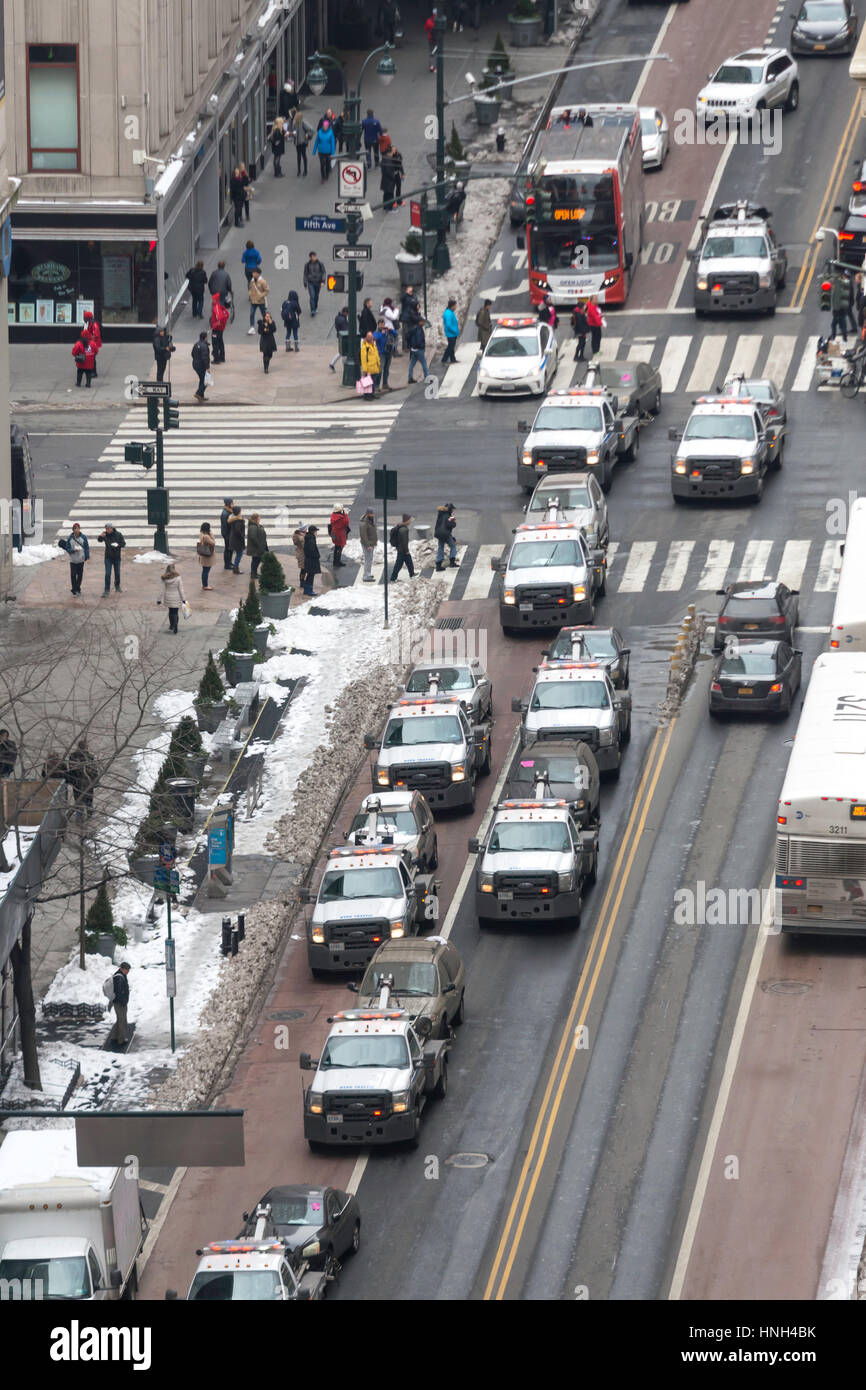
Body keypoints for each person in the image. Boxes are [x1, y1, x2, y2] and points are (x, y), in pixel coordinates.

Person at [67, 739, 98, 815]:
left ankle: (79, 817)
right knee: (89, 799)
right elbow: (94, 770)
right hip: (88, 781)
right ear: (86, 747)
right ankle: (89, 814)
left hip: (76, 781)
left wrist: (71, 780)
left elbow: (70, 770)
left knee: (78, 799)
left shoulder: (72, 756)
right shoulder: (90, 757)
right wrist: (95, 780)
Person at [59, 522, 89, 597]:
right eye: (75, 529)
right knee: (73, 575)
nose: (76, 530)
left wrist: (87, 556)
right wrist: (73, 550)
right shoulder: (70, 538)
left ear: (79, 529)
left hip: (81, 559)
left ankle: (78, 589)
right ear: (73, 530)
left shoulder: (83, 537)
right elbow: (68, 549)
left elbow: (86, 547)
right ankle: (74, 590)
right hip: (73, 560)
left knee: (80, 575)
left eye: (78, 528)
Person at [107, 963, 132, 1049]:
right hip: (120, 1003)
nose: (128, 972)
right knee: (122, 1020)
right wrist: (123, 1002)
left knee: (119, 1019)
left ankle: (114, 1037)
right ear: (123, 969)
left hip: (118, 1002)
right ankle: (121, 1040)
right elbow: (119, 992)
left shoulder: (119, 975)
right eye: (127, 970)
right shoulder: (119, 977)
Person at [157, 563, 186, 634]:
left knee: (171, 611)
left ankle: (172, 625)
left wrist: (159, 600)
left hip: (168, 597)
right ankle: (176, 624)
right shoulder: (178, 578)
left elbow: (162, 590)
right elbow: (181, 589)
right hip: (176, 596)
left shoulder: (164, 578)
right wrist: (183, 599)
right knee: (175, 612)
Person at [97, 524, 126, 595]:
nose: (107, 530)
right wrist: (100, 536)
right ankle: (107, 589)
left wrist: (118, 545)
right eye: (106, 529)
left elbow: (123, 544)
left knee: (117, 573)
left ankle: (117, 586)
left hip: (117, 557)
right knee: (107, 574)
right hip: (108, 557)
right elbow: (99, 540)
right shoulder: (105, 535)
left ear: (112, 528)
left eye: (109, 529)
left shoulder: (118, 534)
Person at [831, 271, 855, 341]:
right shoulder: (847, 284)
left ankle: (835, 337)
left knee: (834, 324)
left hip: (840, 309)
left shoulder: (845, 286)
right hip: (844, 307)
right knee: (844, 321)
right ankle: (844, 336)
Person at [390, 513, 415, 581]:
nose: (410, 521)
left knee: (409, 561)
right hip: (402, 550)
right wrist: (406, 551)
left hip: (400, 548)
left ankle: (412, 574)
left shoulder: (401, 527)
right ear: (407, 521)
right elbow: (404, 542)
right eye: (409, 520)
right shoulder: (404, 530)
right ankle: (393, 578)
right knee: (398, 565)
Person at [434, 502, 458, 570]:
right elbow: (449, 525)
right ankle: (452, 562)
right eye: (452, 509)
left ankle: (438, 565)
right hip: (445, 534)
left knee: (440, 547)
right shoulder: (448, 516)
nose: (453, 511)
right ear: (450, 509)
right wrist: (454, 523)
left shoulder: (440, 515)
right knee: (453, 546)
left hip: (439, 533)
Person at [247, 267, 270, 334]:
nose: (253, 274)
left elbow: (267, 290)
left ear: (258, 274)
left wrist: (261, 295)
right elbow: (250, 289)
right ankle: (252, 327)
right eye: (253, 273)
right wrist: (250, 295)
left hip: (261, 301)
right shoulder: (252, 281)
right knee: (252, 314)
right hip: (253, 301)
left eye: (254, 273)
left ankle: (267, 325)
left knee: (264, 314)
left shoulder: (263, 281)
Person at [246, 512, 269, 578]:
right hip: (256, 548)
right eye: (259, 518)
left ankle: (254, 572)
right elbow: (253, 537)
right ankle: (253, 574)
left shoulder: (255, 525)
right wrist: (258, 544)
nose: (260, 519)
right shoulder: (253, 527)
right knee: (256, 561)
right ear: (256, 519)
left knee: (256, 560)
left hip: (257, 547)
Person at [303, 251, 325, 317]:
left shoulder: (320, 264)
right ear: (310, 257)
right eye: (312, 256)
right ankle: (312, 310)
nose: (314, 257)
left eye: (315, 256)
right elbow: (305, 274)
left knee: (316, 296)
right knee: (312, 296)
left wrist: (323, 281)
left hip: (318, 282)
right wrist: (305, 283)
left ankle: (315, 307)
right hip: (311, 283)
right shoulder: (307, 265)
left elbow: (323, 272)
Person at [407, 318, 429, 383]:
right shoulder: (419, 329)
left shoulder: (413, 328)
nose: (424, 323)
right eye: (423, 322)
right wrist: (421, 346)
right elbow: (419, 339)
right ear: (420, 322)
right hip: (419, 350)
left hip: (413, 349)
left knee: (412, 364)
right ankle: (427, 377)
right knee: (424, 363)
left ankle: (410, 378)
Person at [376, 318, 395, 390]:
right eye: (380, 324)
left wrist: (391, 330)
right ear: (378, 325)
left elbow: (395, 334)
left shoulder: (387, 331)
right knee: (380, 369)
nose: (382, 326)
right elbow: (376, 338)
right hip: (381, 353)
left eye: (383, 324)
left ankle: (385, 384)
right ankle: (377, 385)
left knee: (386, 369)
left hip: (388, 352)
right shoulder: (377, 332)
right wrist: (382, 333)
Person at [302, 525, 321, 596]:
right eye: (316, 531)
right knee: (311, 576)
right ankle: (309, 590)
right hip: (311, 560)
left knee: (309, 575)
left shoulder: (309, 538)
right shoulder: (311, 539)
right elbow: (312, 550)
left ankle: (307, 590)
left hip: (308, 559)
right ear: (313, 532)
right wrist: (317, 556)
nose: (317, 533)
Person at [359, 507, 378, 582]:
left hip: (370, 543)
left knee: (369, 559)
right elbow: (363, 535)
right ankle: (366, 576)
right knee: (368, 560)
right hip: (368, 544)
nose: (373, 515)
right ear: (368, 513)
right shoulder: (364, 523)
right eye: (371, 513)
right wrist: (368, 545)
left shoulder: (370, 520)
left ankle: (368, 573)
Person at [293, 108, 313, 176]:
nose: (295, 116)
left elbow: (311, 129)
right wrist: (293, 134)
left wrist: (308, 135)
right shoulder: (295, 123)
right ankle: (299, 170)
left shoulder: (303, 122)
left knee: (303, 155)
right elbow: (293, 130)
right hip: (297, 142)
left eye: (296, 116)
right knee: (298, 156)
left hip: (303, 142)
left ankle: (305, 170)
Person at [360, 331, 381, 397]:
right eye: (370, 337)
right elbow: (363, 359)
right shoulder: (365, 347)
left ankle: (372, 394)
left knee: (372, 382)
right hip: (369, 368)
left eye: (372, 337)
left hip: (374, 366)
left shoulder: (373, 345)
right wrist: (365, 369)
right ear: (367, 337)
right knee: (368, 382)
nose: (371, 338)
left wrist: (378, 364)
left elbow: (376, 355)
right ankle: (367, 395)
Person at [210, 292, 229, 363]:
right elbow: (226, 314)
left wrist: (214, 325)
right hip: (220, 329)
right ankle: (222, 357)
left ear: (215, 300)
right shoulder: (219, 306)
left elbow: (219, 318)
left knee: (215, 343)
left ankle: (216, 359)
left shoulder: (216, 308)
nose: (211, 300)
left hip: (217, 329)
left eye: (212, 299)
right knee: (220, 342)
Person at [82, 310, 102, 377]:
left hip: (93, 344)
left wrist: (88, 339)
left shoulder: (94, 324)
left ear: (88, 318)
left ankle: (94, 372)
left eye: (84, 317)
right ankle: (91, 371)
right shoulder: (88, 323)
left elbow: (95, 335)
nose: (83, 319)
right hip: (91, 343)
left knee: (92, 358)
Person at [400, 285, 421, 350]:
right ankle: (405, 347)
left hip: (413, 317)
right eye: (409, 290)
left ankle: (411, 345)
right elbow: (401, 299)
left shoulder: (414, 297)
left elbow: (417, 305)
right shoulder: (405, 297)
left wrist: (417, 309)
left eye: (411, 290)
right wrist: (406, 293)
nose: (410, 291)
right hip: (406, 318)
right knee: (405, 332)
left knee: (412, 332)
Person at [192, 330, 210, 401]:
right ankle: (198, 393)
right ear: (205, 337)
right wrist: (207, 367)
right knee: (206, 380)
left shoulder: (196, 344)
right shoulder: (204, 346)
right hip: (201, 366)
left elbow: (192, 354)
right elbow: (205, 358)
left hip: (195, 364)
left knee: (202, 379)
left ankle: (201, 396)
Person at [329, 305, 349, 371]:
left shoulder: (338, 317)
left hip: (340, 336)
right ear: (345, 312)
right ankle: (345, 368)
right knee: (344, 353)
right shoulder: (343, 320)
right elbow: (345, 329)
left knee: (341, 352)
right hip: (344, 337)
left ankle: (332, 363)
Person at [197, 522, 215, 588]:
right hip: (207, 555)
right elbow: (213, 543)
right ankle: (205, 585)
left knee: (205, 570)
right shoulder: (206, 536)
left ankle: (204, 584)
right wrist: (212, 535)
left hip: (203, 555)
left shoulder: (201, 534)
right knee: (206, 571)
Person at [442, 298, 460, 364]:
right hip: (451, 334)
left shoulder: (449, 312)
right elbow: (448, 325)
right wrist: (455, 331)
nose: (456, 307)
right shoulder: (448, 314)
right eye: (455, 305)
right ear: (452, 306)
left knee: (451, 347)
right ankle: (444, 359)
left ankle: (453, 359)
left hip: (451, 333)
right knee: (450, 347)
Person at [229, 506, 246, 574]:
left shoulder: (233, 518)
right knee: (239, 554)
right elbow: (238, 531)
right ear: (238, 512)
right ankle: (236, 569)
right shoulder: (238, 521)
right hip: (237, 540)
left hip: (234, 539)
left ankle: (235, 568)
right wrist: (242, 536)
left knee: (239, 554)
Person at [380, 148, 397, 212]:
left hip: (385, 180)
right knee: (390, 195)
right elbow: (389, 171)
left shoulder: (384, 159)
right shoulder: (388, 160)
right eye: (392, 153)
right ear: (389, 153)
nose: (393, 154)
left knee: (386, 194)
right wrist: (393, 176)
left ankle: (385, 206)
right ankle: (390, 208)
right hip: (389, 181)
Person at [220, 498, 234, 570]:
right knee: (228, 549)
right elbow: (226, 525)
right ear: (228, 504)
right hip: (228, 534)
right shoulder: (226, 513)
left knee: (230, 549)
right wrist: (228, 536)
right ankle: (227, 565)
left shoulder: (228, 511)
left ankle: (229, 562)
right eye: (232, 503)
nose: (233, 504)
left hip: (229, 533)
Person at [292, 521, 308, 588]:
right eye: (306, 529)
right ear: (303, 529)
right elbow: (304, 545)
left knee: (304, 568)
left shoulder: (301, 534)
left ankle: (302, 581)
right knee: (303, 569)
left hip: (301, 553)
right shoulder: (301, 537)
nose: (307, 530)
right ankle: (302, 582)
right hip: (302, 554)